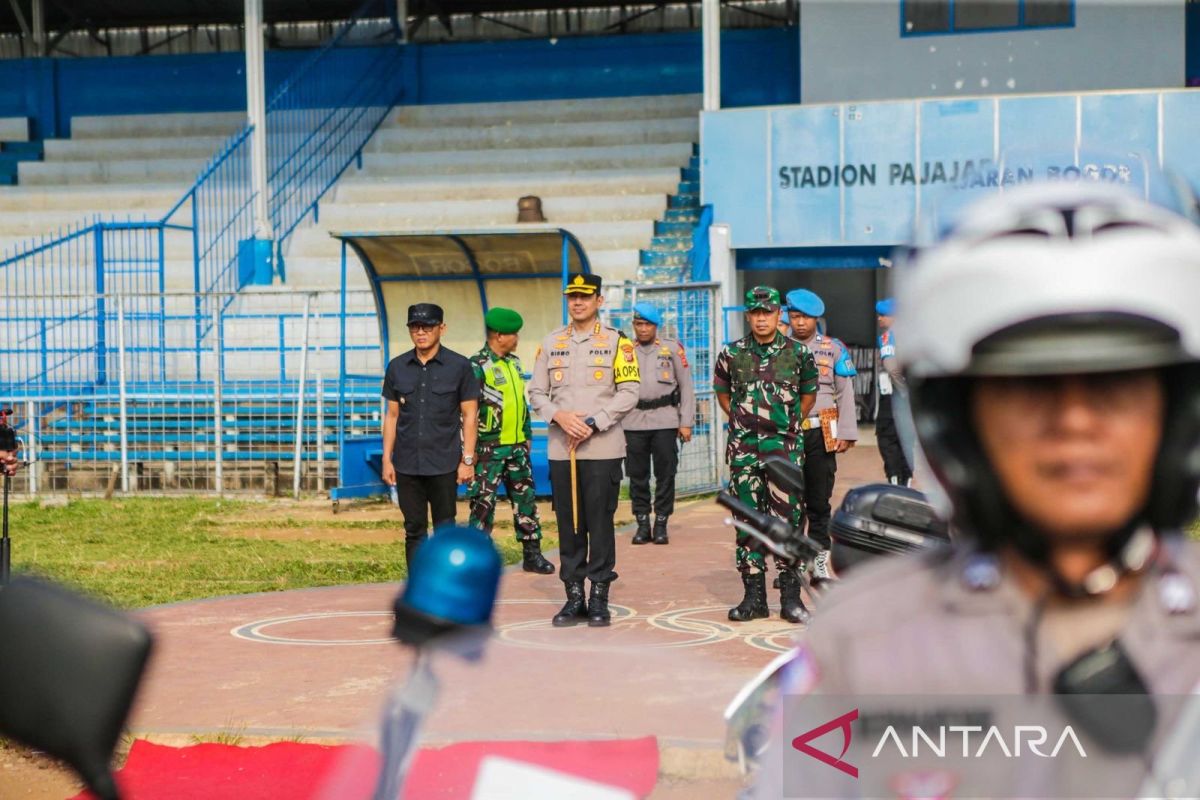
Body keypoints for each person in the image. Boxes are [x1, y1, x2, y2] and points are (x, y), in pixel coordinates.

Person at [756, 182, 1200, 795]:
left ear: (1177, 417)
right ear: (959, 423)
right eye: (1028, 388)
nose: (1075, 423)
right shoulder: (866, 637)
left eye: (1115, 385)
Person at [528, 273, 640, 628]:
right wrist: (558, 416)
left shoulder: (617, 343)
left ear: (598, 301)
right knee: (569, 523)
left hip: (602, 448)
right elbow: (536, 394)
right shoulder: (550, 343)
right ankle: (573, 595)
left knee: (600, 524)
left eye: (585, 297)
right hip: (563, 449)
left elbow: (629, 392)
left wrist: (593, 422)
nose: (577, 302)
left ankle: (598, 597)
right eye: (572, 296)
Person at [714, 286, 817, 624]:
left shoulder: (798, 354)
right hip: (743, 452)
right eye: (756, 313)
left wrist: (783, 427)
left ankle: (790, 597)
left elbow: (807, 397)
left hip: (784, 452)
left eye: (767, 312)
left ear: (778, 315)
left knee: (787, 522)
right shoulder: (732, 354)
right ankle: (753, 597)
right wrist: (745, 425)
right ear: (749, 316)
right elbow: (723, 394)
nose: (761, 318)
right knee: (747, 524)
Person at [381, 303, 480, 572]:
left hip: (444, 463)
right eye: (415, 327)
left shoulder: (459, 366)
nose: (421, 332)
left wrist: (467, 460)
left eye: (427, 326)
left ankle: (444, 584)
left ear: (442, 329)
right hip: (406, 463)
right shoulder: (397, 367)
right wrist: (386, 460)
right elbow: (391, 416)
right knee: (413, 530)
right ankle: (418, 588)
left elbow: (470, 415)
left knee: (445, 529)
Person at [465, 307, 555, 575]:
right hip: (488, 450)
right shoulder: (477, 365)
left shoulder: (514, 363)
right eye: (514, 334)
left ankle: (532, 554)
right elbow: (468, 410)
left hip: (517, 448)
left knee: (526, 500)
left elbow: (521, 404)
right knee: (483, 505)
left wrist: (526, 435)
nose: (517, 339)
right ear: (499, 335)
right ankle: (476, 562)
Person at [784, 288, 859, 583]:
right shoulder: (778, 348)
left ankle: (818, 561)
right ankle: (790, 563)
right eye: (795, 316)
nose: (800, 322)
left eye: (806, 317)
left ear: (817, 319)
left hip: (820, 432)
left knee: (818, 501)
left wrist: (847, 432)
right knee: (788, 502)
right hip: (787, 435)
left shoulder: (833, 348)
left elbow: (845, 393)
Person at [621, 302, 696, 546]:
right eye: (638, 324)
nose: (643, 329)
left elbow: (686, 387)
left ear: (656, 326)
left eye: (647, 324)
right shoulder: (623, 351)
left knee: (666, 474)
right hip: (632, 421)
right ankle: (642, 523)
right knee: (637, 476)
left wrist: (686, 422)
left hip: (665, 419)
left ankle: (661, 523)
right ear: (633, 325)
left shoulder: (671, 349)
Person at [874, 297, 913, 486]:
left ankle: (895, 479)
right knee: (906, 437)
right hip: (909, 397)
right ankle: (906, 478)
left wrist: (903, 388)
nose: (879, 319)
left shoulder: (888, 336)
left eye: (883, 315)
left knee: (887, 438)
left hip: (893, 397)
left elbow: (890, 364)